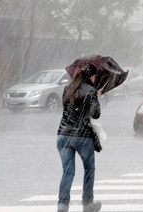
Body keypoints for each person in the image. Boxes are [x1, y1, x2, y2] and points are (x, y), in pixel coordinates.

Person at [57, 63, 102, 212]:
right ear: (92, 76)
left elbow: (68, 109)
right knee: (89, 169)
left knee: (68, 172)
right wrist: (95, 97)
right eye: (96, 76)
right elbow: (95, 114)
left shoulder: (67, 89)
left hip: (63, 135)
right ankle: (87, 203)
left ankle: (62, 205)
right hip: (82, 136)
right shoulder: (90, 91)